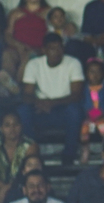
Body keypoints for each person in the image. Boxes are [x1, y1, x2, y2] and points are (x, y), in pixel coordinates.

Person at [16, 33, 85, 164]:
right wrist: (40, 103)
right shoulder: (34, 64)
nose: (57, 52)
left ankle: (69, 156)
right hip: (41, 110)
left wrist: (52, 103)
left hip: (63, 110)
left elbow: (77, 95)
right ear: (44, 50)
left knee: (75, 111)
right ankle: (33, 153)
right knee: (23, 111)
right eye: (52, 48)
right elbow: (27, 95)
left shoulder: (73, 63)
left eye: (59, 48)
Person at [3, 0, 51, 85]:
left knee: (30, 56)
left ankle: (19, 87)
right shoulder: (15, 13)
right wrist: (18, 45)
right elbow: (8, 34)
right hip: (17, 48)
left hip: (38, 50)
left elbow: (56, 31)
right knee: (7, 55)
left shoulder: (48, 12)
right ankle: (7, 83)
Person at [79, 58, 104, 161]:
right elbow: (82, 103)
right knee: (84, 132)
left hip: (102, 118)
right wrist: (87, 113)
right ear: (86, 74)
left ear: (103, 74)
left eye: (98, 72)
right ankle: (85, 151)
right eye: (92, 72)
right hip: (88, 119)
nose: (95, 75)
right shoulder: (84, 89)